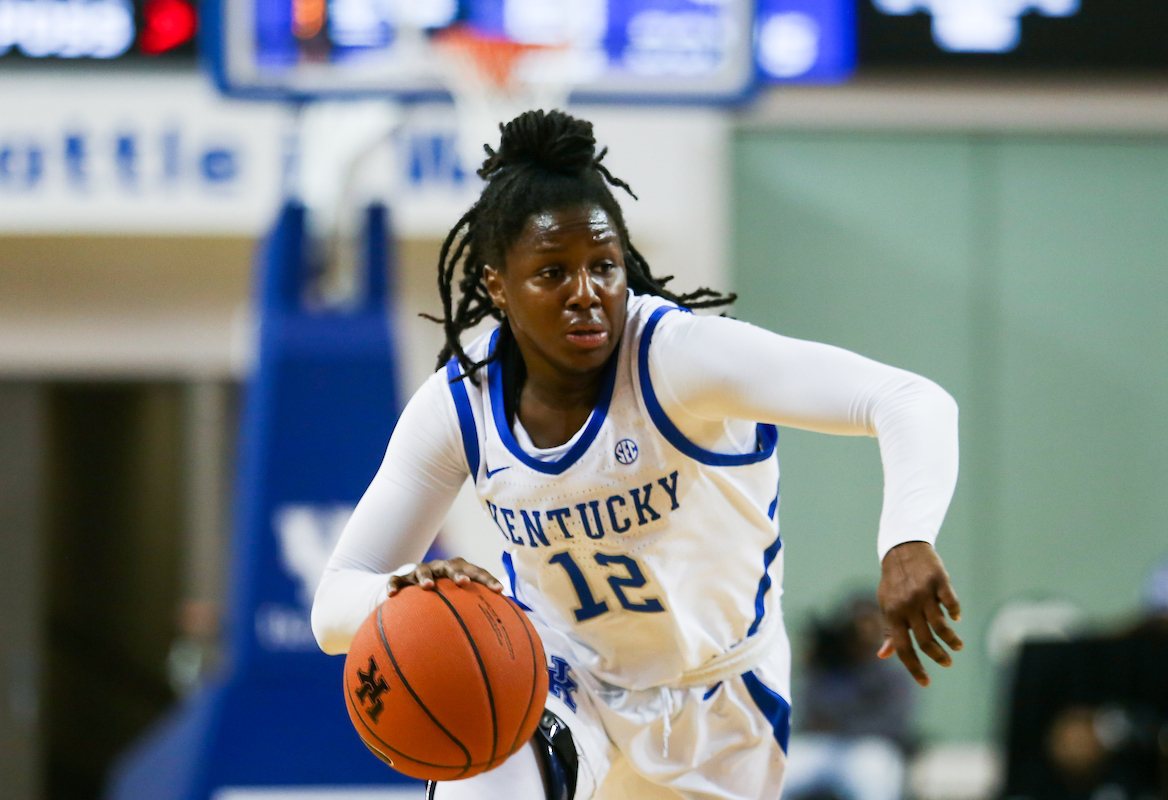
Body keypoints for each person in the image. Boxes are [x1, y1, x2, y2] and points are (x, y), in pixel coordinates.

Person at [311, 109, 963, 800]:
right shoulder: (459, 404)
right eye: (552, 273)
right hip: (561, 676)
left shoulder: (678, 358)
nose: (587, 293)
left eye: (604, 267)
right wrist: (408, 589)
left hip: (719, 695)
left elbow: (908, 401)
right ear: (498, 284)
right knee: (485, 780)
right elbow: (333, 609)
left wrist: (907, 540)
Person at [783, 595, 915, 800]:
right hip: (822, 746)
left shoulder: (892, 676)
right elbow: (811, 713)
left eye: (871, 622)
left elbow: (893, 723)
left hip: (867, 748)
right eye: (859, 623)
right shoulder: (827, 668)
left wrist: (845, 722)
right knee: (780, 767)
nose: (865, 630)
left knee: (873, 771)